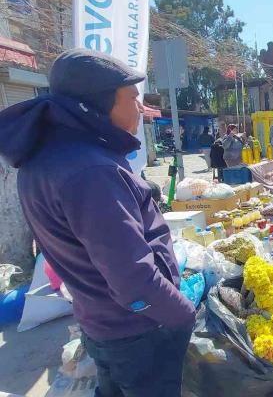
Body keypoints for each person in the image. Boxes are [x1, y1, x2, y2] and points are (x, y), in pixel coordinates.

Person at [0, 49, 195, 396]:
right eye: (132, 98)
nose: (140, 107)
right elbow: (134, 279)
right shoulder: (91, 171)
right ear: (99, 103)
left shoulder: (44, 159)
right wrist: (181, 314)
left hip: (100, 321)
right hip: (138, 331)